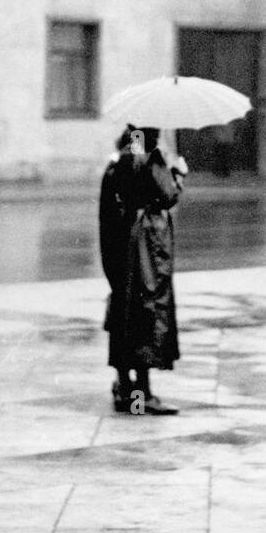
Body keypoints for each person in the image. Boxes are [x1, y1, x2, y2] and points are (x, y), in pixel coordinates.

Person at [99, 125, 183, 415]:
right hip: (147, 245)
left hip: (123, 245)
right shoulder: (151, 158)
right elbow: (168, 196)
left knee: (125, 311)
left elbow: (108, 212)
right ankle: (143, 393)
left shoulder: (116, 163)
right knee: (148, 310)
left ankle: (125, 387)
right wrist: (178, 174)